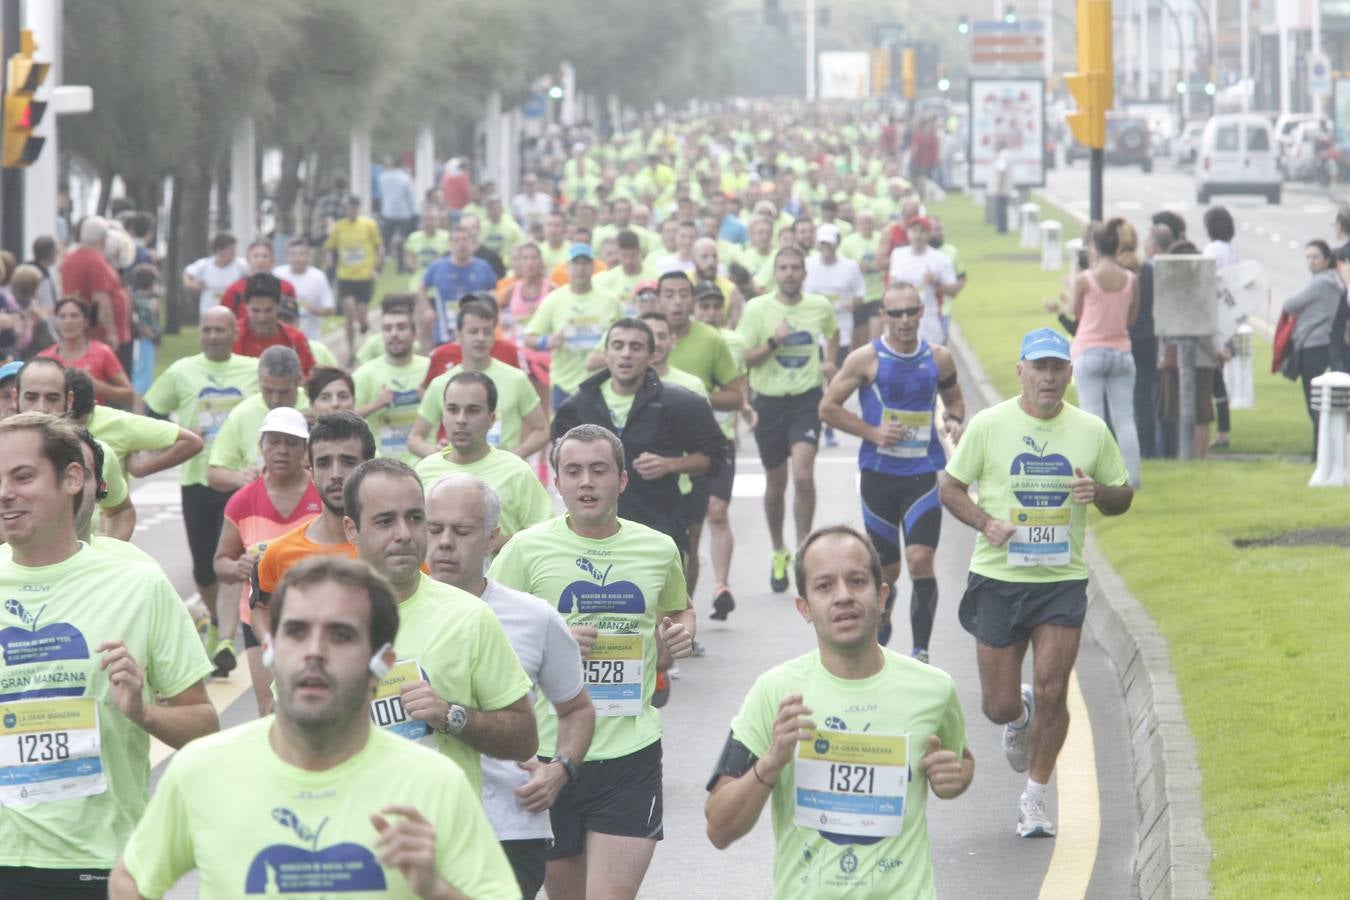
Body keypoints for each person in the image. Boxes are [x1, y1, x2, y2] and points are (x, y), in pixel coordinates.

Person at [109, 556, 521, 900]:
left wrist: (438, 890)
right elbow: (131, 879)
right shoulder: (202, 769)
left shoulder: (435, 783)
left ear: (381, 662)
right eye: (296, 631)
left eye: (341, 636)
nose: (314, 653)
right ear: (269, 649)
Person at [0, 412, 217, 896]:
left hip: (98, 862)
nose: (4, 493)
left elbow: (203, 725)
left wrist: (142, 711)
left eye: (22, 476)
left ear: (72, 479)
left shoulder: (136, 585)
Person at [704, 525, 973, 897]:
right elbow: (718, 828)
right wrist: (770, 762)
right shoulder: (775, 693)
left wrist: (957, 780)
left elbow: (961, 759)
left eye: (857, 581)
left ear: (882, 596)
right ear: (805, 607)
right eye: (824, 586)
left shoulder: (934, 689)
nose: (843, 596)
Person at [939, 327, 1132, 837]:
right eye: (1039, 367)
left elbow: (1122, 494)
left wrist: (1099, 494)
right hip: (999, 577)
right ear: (1020, 371)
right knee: (997, 705)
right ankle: (1018, 717)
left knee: (1053, 688)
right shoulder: (989, 425)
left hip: (1060, 580)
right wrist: (985, 523)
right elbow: (950, 486)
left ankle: (1035, 798)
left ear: (1070, 373)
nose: (1048, 378)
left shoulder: (1090, 430)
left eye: (1057, 368)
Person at [489, 424, 695, 900]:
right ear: (556, 482)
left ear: (621, 480)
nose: (586, 482)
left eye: (598, 470)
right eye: (573, 471)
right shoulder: (524, 549)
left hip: (630, 750)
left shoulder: (658, 548)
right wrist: (551, 648)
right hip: (551, 754)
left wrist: (682, 629)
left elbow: (677, 607)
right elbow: (487, 631)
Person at [425, 475, 595, 899]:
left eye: (462, 531)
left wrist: (561, 769)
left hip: (508, 825)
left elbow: (576, 709)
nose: (445, 542)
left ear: (491, 538)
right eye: (434, 529)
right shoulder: (385, 613)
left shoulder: (534, 617)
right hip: (416, 822)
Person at [344, 458, 538, 792]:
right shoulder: (318, 617)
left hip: (443, 834)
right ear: (352, 529)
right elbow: (281, 734)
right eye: (385, 521)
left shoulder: (469, 616)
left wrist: (451, 716)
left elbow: (524, 739)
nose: (404, 534)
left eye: (415, 518)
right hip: (349, 833)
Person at [820, 282, 966, 658]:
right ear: (884, 316)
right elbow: (828, 408)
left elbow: (954, 399)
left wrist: (954, 419)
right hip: (879, 477)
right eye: (895, 313)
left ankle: (920, 653)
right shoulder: (865, 359)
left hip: (921, 473)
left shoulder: (939, 357)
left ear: (922, 312)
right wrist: (872, 432)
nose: (904, 320)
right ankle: (882, 629)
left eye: (910, 311)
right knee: (888, 573)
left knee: (920, 560)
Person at [552, 317, 726, 558]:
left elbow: (715, 457)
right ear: (605, 354)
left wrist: (671, 465)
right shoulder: (576, 406)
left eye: (636, 347)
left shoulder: (679, 403)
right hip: (590, 536)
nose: (626, 354)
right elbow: (559, 465)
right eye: (618, 346)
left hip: (657, 529)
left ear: (651, 356)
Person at [142, 304, 260, 619]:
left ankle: (237, 624)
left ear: (234, 333)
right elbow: (152, 410)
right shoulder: (182, 371)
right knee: (204, 567)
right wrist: (177, 433)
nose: (212, 336)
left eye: (219, 330)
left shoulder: (253, 370)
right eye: (206, 330)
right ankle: (218, 620)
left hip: (240, 480)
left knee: (239, 558)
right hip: (196, 479)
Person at [736, 247, 839, 592]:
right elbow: (744, 359)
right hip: (768, 403)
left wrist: (829, 361)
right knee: (776, 484)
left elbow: (832, 331)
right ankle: (778, 549)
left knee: (804, 475)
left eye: (796, 267)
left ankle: (803, 551)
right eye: (783, 268)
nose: (790, 273)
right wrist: (772, 342)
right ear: (774, 273)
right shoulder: (757, 309)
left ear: (804, 274)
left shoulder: (819, 306)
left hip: (806, 400)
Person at [213, 407, 323, 705]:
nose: (282, 450)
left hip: (318, 619)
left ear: (305, 449)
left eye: (291, 442)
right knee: (270, 710)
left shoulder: (322, 494)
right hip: (259, 619)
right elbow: (221, 562)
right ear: (261, 447)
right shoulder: (242, 501)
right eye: (273, 442)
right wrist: (238, 567)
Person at [252, 410, 377, 641]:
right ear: (312, 472)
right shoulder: (279, 553)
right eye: (324, 463)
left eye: (348, 462)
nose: (336, 474)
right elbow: (261, 607)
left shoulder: (395, 546)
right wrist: (273, 650)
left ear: (368, 467)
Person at [414, 371, 554, 542]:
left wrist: (503, 543)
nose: (461, 419)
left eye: (473, 411)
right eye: (453, 409)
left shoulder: (517, 472)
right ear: (443, 416)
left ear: (491, 419)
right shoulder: (423, 471)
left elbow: (546, 535)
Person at [412, 298, 549, 461]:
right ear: (458, 335)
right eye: (473, 331)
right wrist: (437, 456)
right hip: (459, 477)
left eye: (487, 332)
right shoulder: (440, 384)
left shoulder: (516, 379)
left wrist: (515, 456)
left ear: (494, 336)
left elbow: (542, 430)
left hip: (501, 476)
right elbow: (415, 439)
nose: (480, 338)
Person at [14, 360, 137, 540]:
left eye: (52, 398)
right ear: (16, 397)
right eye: (31, 397)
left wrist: (106, 556)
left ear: (69, 400)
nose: (41, 407)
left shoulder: (96, 454)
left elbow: (121, 510)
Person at [692, 282, 755, 620]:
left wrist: (746, 410)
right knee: (690, 527)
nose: (711, 312)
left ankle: (721, 585)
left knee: (717, 512)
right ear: (694, 309)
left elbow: (739, 388)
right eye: (705, 306)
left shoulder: (734, 343)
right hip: (685, 446)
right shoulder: (681, 343)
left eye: (717, 306)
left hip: (722, 440)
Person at [1070, 220, 1141, 488]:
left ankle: (1096, 477)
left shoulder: (1085, 279)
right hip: (1121, 351)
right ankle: (1132, 480)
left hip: (1089, 351)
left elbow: (1077, 314)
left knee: (1093, 417)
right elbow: (1132, 316)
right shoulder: (1130, 279)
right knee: (1125, 419)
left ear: (1095, 247)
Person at [524, 243, 625, 409]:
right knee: (565, 434)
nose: (581, 268)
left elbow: (624, 335)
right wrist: (546, 341)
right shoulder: (554, 300)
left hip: (602, 383)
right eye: (576, 263)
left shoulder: (610, 300)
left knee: (600, 434)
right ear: (567, 268)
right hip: (564, 384)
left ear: (593, 267)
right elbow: (529, 338)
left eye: (585, 263)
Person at [208, 346, 307, 490]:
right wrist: (240, 477)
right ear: (259, 380)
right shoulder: (242, 414)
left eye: (283, 392)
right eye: (268, 390)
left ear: (299, 380)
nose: (275, 399)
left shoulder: (316, 407)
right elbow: (213, 473)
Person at [353, 294, 431, 463]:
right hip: (382, 466)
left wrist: (429, 400)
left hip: (424, 464)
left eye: (401, 327)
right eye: (388, 329)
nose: (394, 334)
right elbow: (346, 418)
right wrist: (376, 405)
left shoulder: (430, 369)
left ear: (414, 333)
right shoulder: (365, 374)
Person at [1282, 240, 1342, 456]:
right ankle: (1324, 449)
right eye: (1308, 257)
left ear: (1327, 260)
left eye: (1316, 257)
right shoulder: (1334, 281)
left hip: (1312, 345)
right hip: (1323, 344)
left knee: (1314, 402)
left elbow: (1290, 304)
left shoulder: (1320, 283)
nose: (1311, 261)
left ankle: (1320, 452)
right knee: (1320, 401)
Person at [62, 217, 132, 370]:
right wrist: (111, 331)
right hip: (100, 335)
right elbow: (101, 299)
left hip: (86, 331)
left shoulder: (70, 259)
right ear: (102, 238)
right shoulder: (96, 262)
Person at [39, 296, 134, 406]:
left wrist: (101, 387)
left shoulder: (102, 352)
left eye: (74, 316)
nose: (68, 321)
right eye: (62, 317)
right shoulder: (45, 358)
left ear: (86, 321)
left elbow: (130, 397)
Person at [325, 194, 385, 362]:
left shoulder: (369, 225)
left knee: (361, 315)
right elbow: (330, 246)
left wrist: (377, 267)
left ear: (358, 208)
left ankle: (364, 325)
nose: (352, 210)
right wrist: (329, 258)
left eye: (355, 207)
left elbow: (379, 246)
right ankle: (351, 351)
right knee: (349, 313)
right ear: (346, 209)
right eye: (349, 207)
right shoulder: (339, 227)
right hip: (346, 276)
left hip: (364, 275)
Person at [419, 224, 498, 348]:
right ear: (450, 244)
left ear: (472, 243)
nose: (461, 244)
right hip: (445, 331)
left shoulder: (483, 267)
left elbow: (494, 290)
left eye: (465, 239)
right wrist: (427, 309)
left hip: (475, 330)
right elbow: (422, 287)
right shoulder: (437, 267)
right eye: (456, 240)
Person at [887, 217, 960, 348]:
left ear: (929, 234)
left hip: (929, 318)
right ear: (908, 233)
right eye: (914, 230)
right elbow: (891, 286)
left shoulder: (940, 259)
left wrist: (935, 282)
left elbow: (953, 291)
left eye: (922, 231)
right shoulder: (898, 255)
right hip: (901, 319)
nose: (918, 235)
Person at [1201, 206, 1238, 449]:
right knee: (1219, 380)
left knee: (1210, 378)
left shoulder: (1211, 250)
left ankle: (1213, 430)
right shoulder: (1232, 252)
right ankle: (1224, 429)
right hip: (1229, 318)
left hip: (1213, 317)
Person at [232, 272, 317, 375]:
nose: (261, 318)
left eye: (268, 311)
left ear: (278, 306)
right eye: (255, 311)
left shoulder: (295, 340)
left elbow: (310, 379)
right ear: (246, 306)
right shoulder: (231, 336)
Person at [272, 238, 334, 339]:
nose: (298, 258)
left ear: (308, 256)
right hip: (282, 337)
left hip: (310, 337)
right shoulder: (278, 274)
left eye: (302, 254)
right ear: (287, 256)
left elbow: (329, 308)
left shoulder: (318, 277)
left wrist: (316, 310)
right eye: (293, 254)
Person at [379, 159, 419, 272]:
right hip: (403, 213)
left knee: (385, 241)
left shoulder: (383, 177)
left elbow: (382, 194)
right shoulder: (405, 178)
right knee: (403, 241)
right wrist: (413, 212)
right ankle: (401, 266)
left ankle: (381, 265)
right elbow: (410, 196)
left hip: (387, 212)